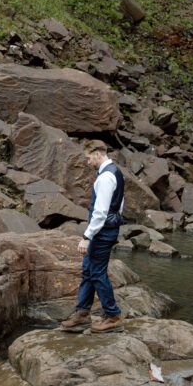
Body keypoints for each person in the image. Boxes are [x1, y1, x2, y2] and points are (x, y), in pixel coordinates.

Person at [60, 140, 125, 334]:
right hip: (106, 230)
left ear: (97, 154)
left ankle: (113, 316)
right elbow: (119, 204)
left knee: (96, 273)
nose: (88, 162)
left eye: (88, 158)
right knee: (88, 270)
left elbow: (101, 212)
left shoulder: (106, 177)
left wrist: (87, 236)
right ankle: (82, 313)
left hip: (102, 232)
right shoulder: (115, 172)